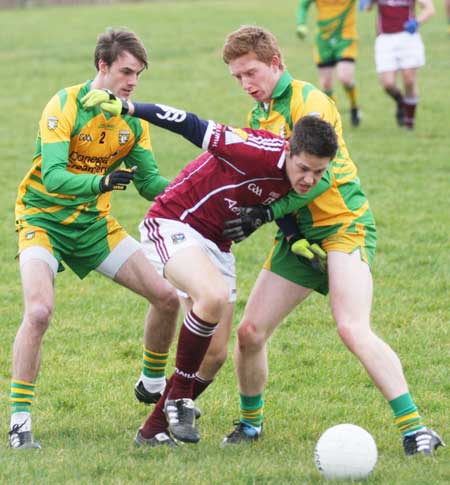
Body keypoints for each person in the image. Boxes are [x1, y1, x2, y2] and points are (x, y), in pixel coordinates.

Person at [218, 26, 444, 456]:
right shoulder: (259, 117)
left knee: (351, 327)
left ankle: (416, 429)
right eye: (237, 77)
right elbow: (274, 185)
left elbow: (323, 179)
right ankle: (250, 425)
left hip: (342, 226)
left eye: (251, 73)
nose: (246, 84)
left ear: (275, 64)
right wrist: (270, 223)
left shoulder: (312, 103)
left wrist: (268, 214)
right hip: (300, 234)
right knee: (249, 332)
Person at [81, 88, 339, 447]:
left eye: (318, 171)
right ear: (289, 150)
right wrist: (129, 106)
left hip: (217, 246)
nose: (310, 178)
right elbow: (190, 123)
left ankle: (152, 429)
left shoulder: (307, 178)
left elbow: (281, 204)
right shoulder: (255, 149)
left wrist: (292, 235)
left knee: (214, 355)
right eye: (304, 168)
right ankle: (179, 399)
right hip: (174, 222)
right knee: (213, 295)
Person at [9, 28, 180, 450]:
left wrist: (191, 191)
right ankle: (19, 422)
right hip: (43, 221)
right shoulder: (63, 104)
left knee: (168, 298)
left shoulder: (131, 118)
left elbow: (149, 181)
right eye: (125, 71)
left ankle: (151, 381)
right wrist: (101, 181)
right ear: (102, 66)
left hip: (93, 226)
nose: (133, 82)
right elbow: (51, 175)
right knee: (39, 312)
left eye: (138, 74)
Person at [362, 0, 435, 129]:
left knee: (409, 80)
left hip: (408, 37)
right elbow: (366, 8)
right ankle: (401, 102)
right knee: (387, 84)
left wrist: (416, 22)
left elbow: (429, 9)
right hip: (385, 39)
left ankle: (409, 122)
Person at [296, 0, 362, 126]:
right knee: (326, 83)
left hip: (345, 38)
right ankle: (334, 116)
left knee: (345, 78)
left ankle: (354, 105)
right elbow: (303, 5)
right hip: (323, 41)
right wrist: (301, 24)